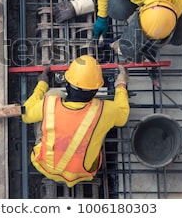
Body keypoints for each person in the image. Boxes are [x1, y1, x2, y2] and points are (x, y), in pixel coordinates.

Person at [22, 55, 130, 187]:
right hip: (83, 173)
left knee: (53, 94)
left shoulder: (50, 105)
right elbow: (123, 115)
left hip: (45, 166)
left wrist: (42, 84)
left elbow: (26, 114)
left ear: (68, 85)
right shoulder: (105, 110)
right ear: (95, 90)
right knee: (99, 125)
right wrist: (121, 84)